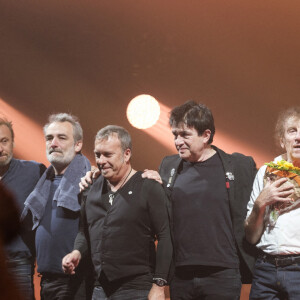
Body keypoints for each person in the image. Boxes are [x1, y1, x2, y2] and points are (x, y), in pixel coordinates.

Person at [80, 102, 257, 300]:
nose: (178, 141)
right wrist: (98, 173)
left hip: (222, 274)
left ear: (206, 135)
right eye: (175, 135)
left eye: (185, 135)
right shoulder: (168, 166)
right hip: (180, 275)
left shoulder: (239, 165)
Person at [62, 125, 172, 300]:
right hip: (100, 288)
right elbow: (84, 231)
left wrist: (159, 285)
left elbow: (166, 236)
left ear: (126, 154)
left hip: (137, 287)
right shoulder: (89, 188)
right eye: (98, 154)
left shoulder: (148, 186)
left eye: (108, 154)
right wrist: (76, 252)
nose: (101, 160)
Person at [22, 113, 93, 300]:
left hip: (77, 282)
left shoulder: (89, 182)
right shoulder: (42, 184)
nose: (53, 143)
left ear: (78, 145)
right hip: (47, 282)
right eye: (49, 138)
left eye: (62, 137)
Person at [245, 107, 300, 300]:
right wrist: (261, 203)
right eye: (292, 130)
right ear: (282, 140)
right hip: (265, 270)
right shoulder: (266, 172)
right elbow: (251, 237)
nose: (298, 137)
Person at [0, 117, 46, 300]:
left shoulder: (34, 171)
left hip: (18, 264)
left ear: (13, 142)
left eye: (4, 141)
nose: (0, 148)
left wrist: (88, 172)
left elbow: (63, 183)